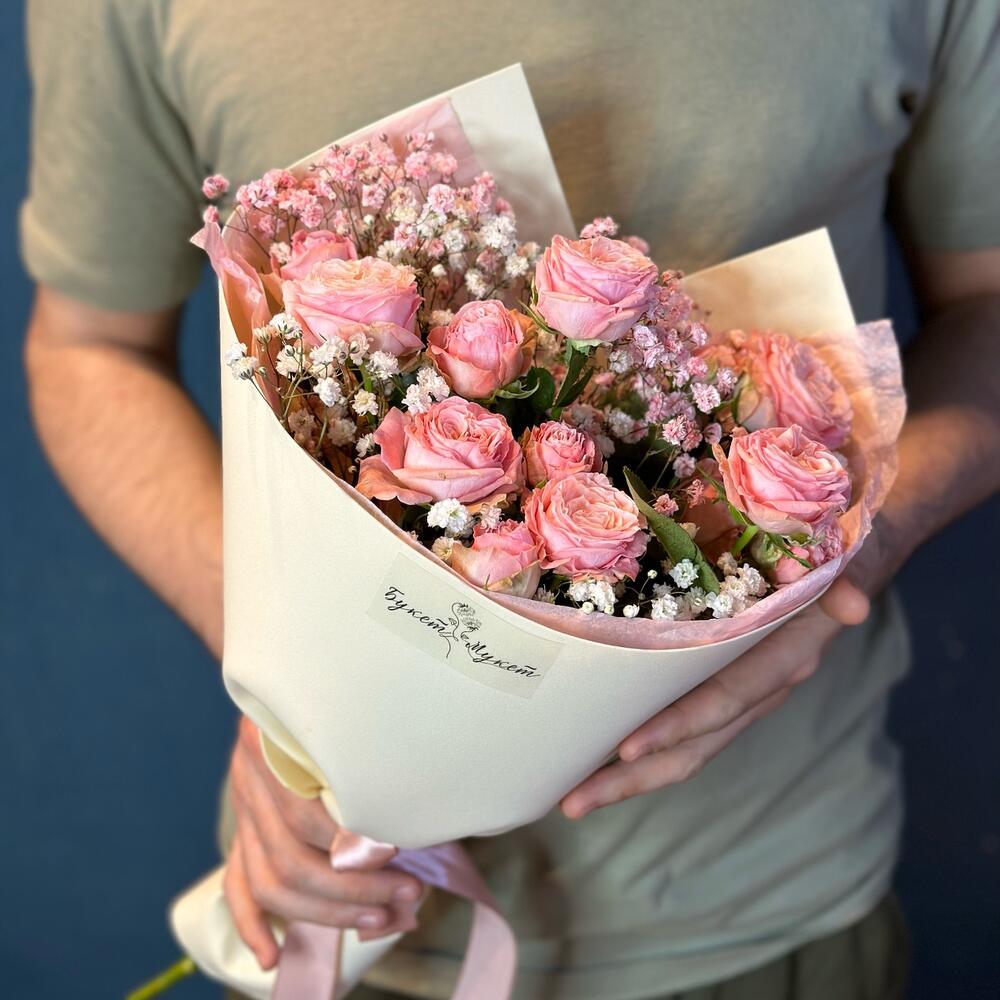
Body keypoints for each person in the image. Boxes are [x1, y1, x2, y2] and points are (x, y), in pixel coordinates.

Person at [20, 2, 1000, 998]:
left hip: (766, 907)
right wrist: (284, 666)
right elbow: (89, 346)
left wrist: (835, 570)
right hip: (317, 903)